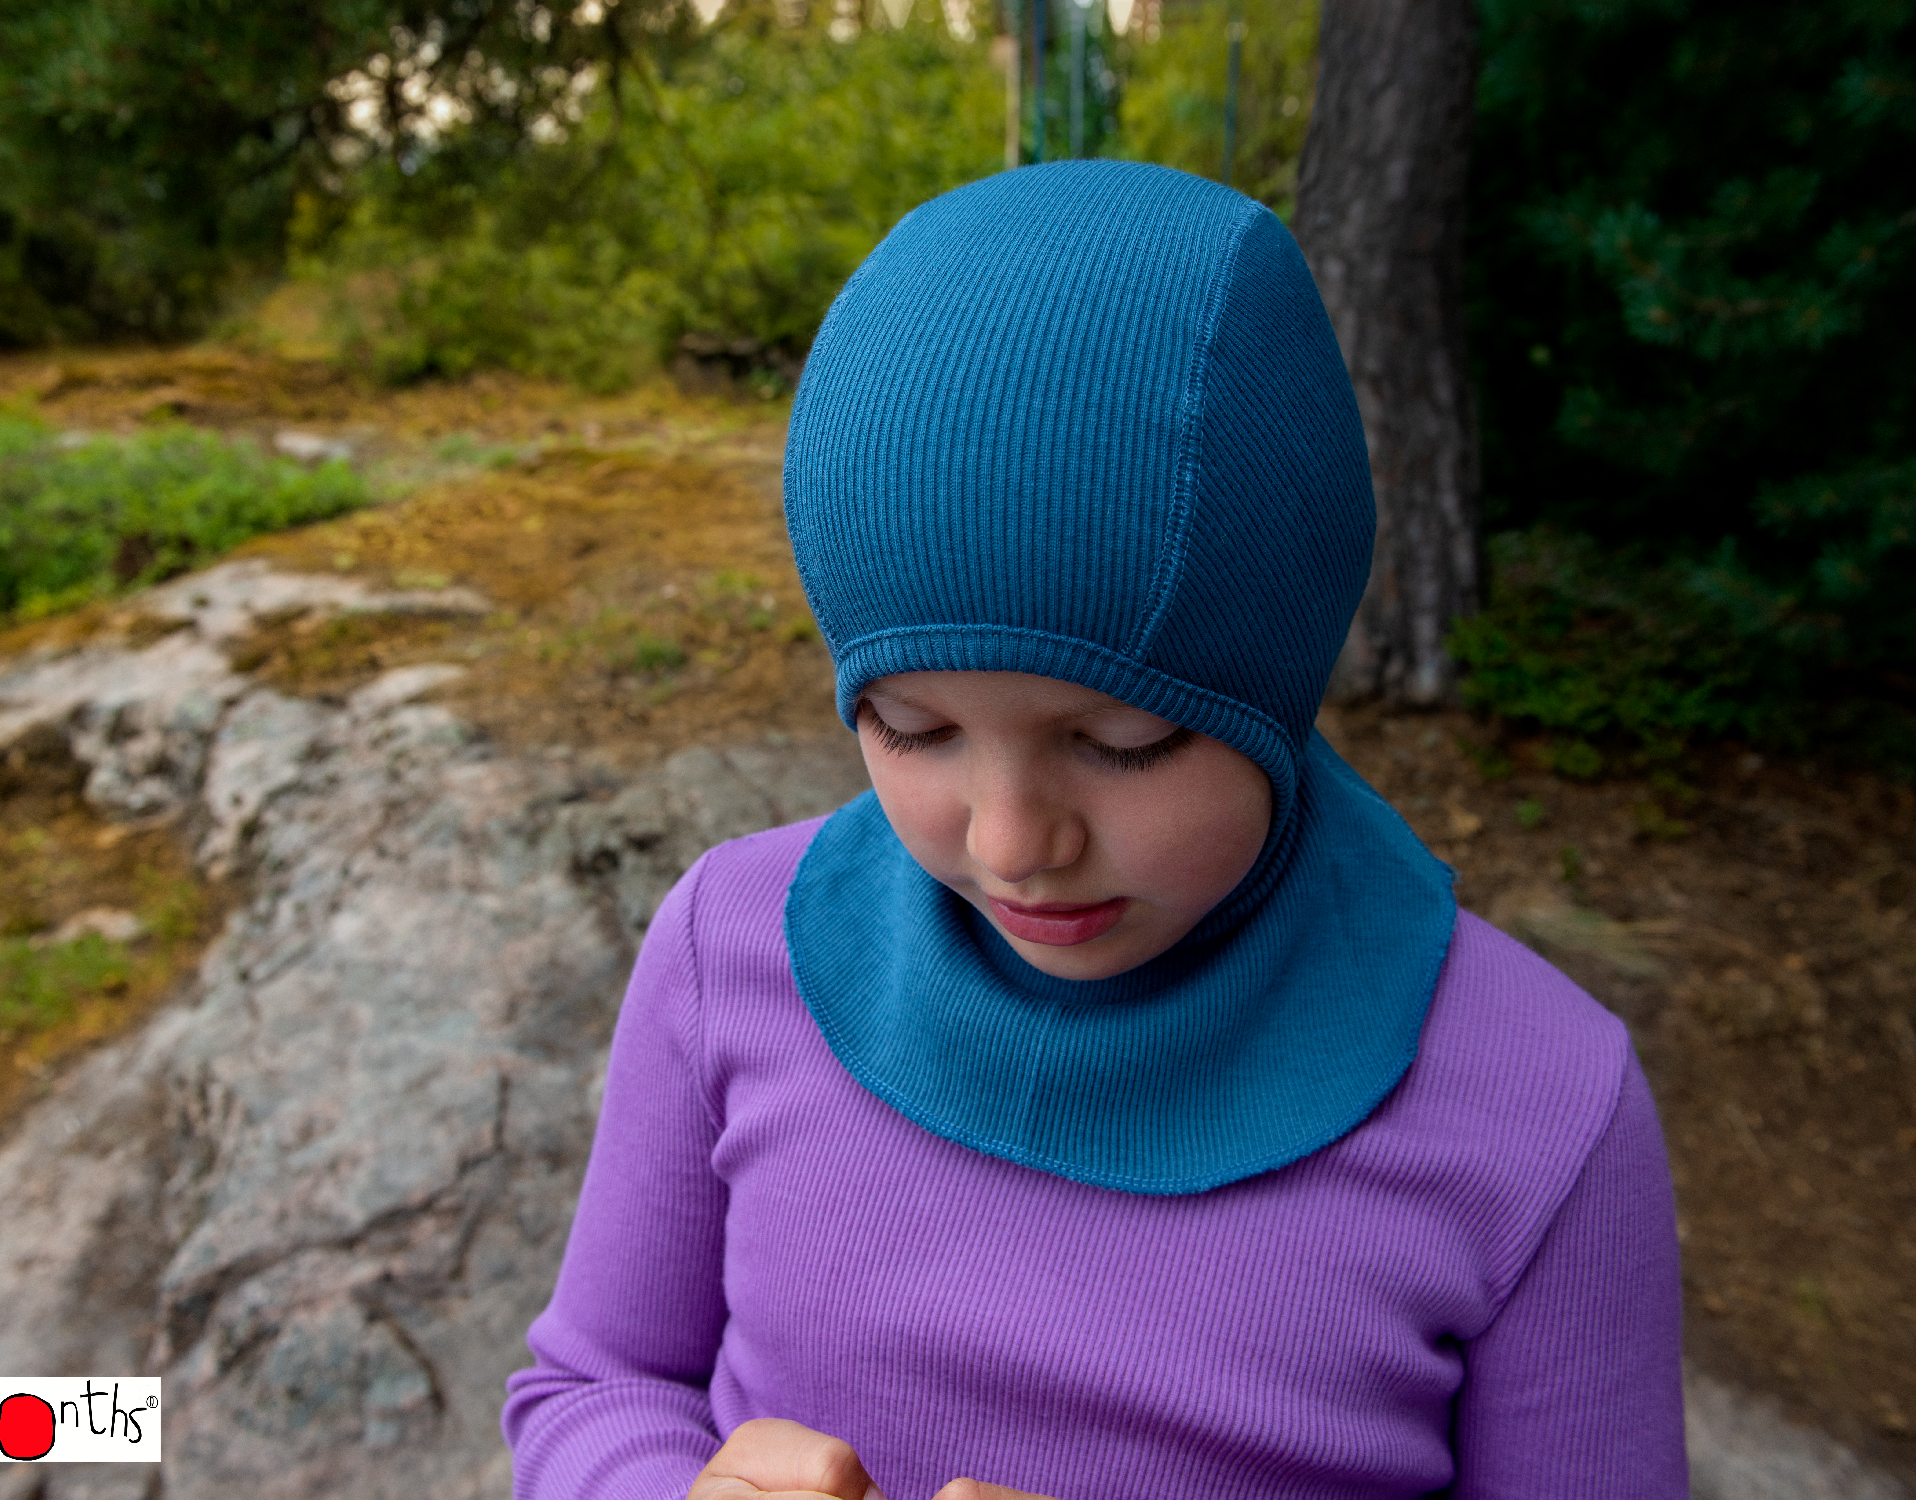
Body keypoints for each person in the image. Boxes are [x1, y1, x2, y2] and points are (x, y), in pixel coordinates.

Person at [502, 160, 1685, 1500]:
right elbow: (591, 1386)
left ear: (1277, 688)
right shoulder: (730, 951)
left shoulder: (1542, 1110)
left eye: (1123, 743)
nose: (1012, 841)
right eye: (911, 727)